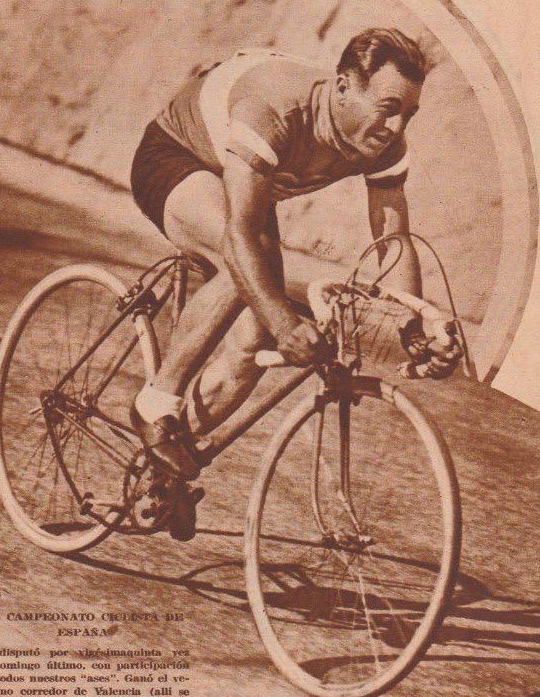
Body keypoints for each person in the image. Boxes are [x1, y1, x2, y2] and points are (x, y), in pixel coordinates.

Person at [129, 28, 461, 497]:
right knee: (248, 263)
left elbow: (393, 239)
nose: (397, 128)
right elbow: (240, 234)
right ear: (344, 86)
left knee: (251, 348)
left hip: (245, 189)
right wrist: (288, 324)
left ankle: (159, 473)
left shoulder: (385, 144)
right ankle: (155, 402)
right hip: (178, 156)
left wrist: (414, 324)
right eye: (388, 109)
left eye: (409, 114)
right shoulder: (276, 107)